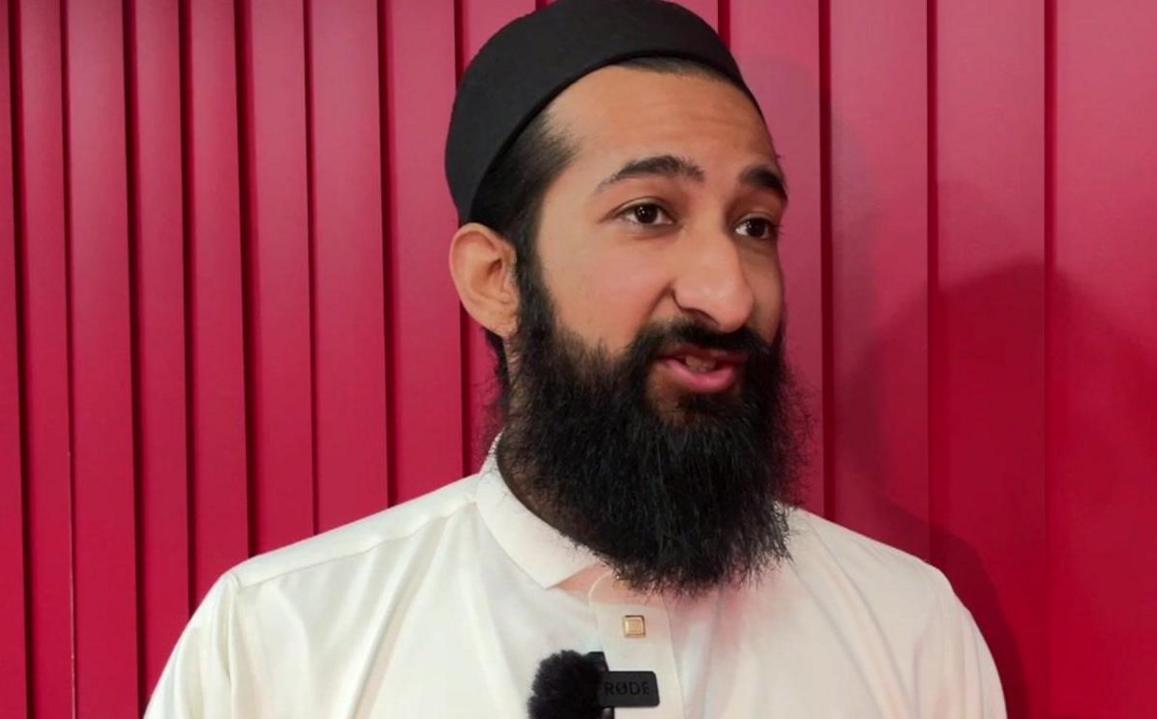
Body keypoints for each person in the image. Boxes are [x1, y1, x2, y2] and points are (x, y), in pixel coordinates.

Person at [145, 1, 1006, 716]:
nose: (731, 295)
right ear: (497, 278)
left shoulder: (907, 629)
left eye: (754, 226)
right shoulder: (276, 645)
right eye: (648, 212)